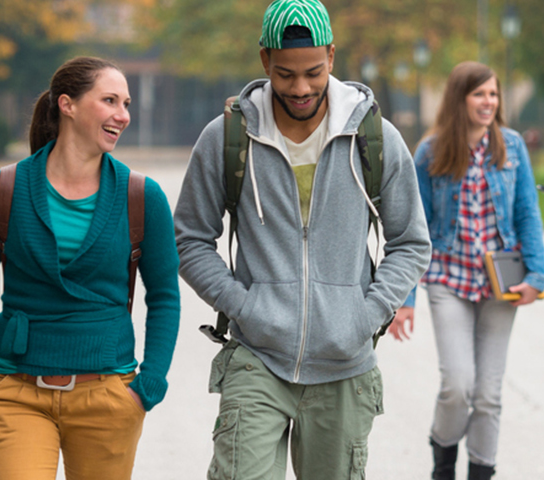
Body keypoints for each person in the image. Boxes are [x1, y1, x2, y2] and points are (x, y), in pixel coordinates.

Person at [172, 0, 430, 478]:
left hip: (344, 366)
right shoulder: (228, 136)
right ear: (265, 60)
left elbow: (411, 242)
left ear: (332, 56)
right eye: (286, 74)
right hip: (256, 358)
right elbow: (188, 238)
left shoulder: (375, 137)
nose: (301, 87)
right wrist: (244, 306)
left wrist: (367, 314)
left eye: (313, 71)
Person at [0, 56, 181, 479]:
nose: (123, 115)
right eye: (109, 100)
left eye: (126, 103)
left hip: (109, 395)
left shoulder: (142, 196)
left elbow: (165, 296)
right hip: (16, 392)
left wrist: (148, 386)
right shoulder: (1, 190)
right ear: (67, 104)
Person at [387, 61, 544, 480]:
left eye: (493, 94)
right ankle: (443, 461)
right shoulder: (432, 150)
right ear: (460, 99)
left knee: (489, 394)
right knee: (458, 386)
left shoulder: (511, 146)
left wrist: (537, 275)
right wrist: (404, 300)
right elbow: (412, 227)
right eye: (480, 94)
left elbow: (528, 211)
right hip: (448, 280)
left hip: (501, 283)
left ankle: (480, 473)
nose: (488, 102)